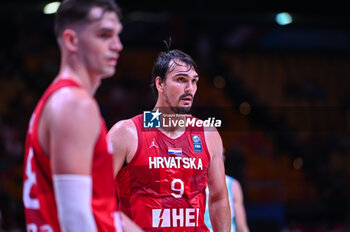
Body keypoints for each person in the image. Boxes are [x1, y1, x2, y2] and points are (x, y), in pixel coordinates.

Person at [22, 0, 142, 231]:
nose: (118, 45)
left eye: (118, 35)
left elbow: (99, 211)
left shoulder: (62, 99)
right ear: (71, 40)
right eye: (104, 35)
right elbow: (76, 219)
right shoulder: (74, 104)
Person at [108, 48, 231, 231]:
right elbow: (96, 197)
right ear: (160, 84)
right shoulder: (125, 133)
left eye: (194, 81)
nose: (190, 88)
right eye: (181, 80)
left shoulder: (208, 134)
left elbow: (219, 198)